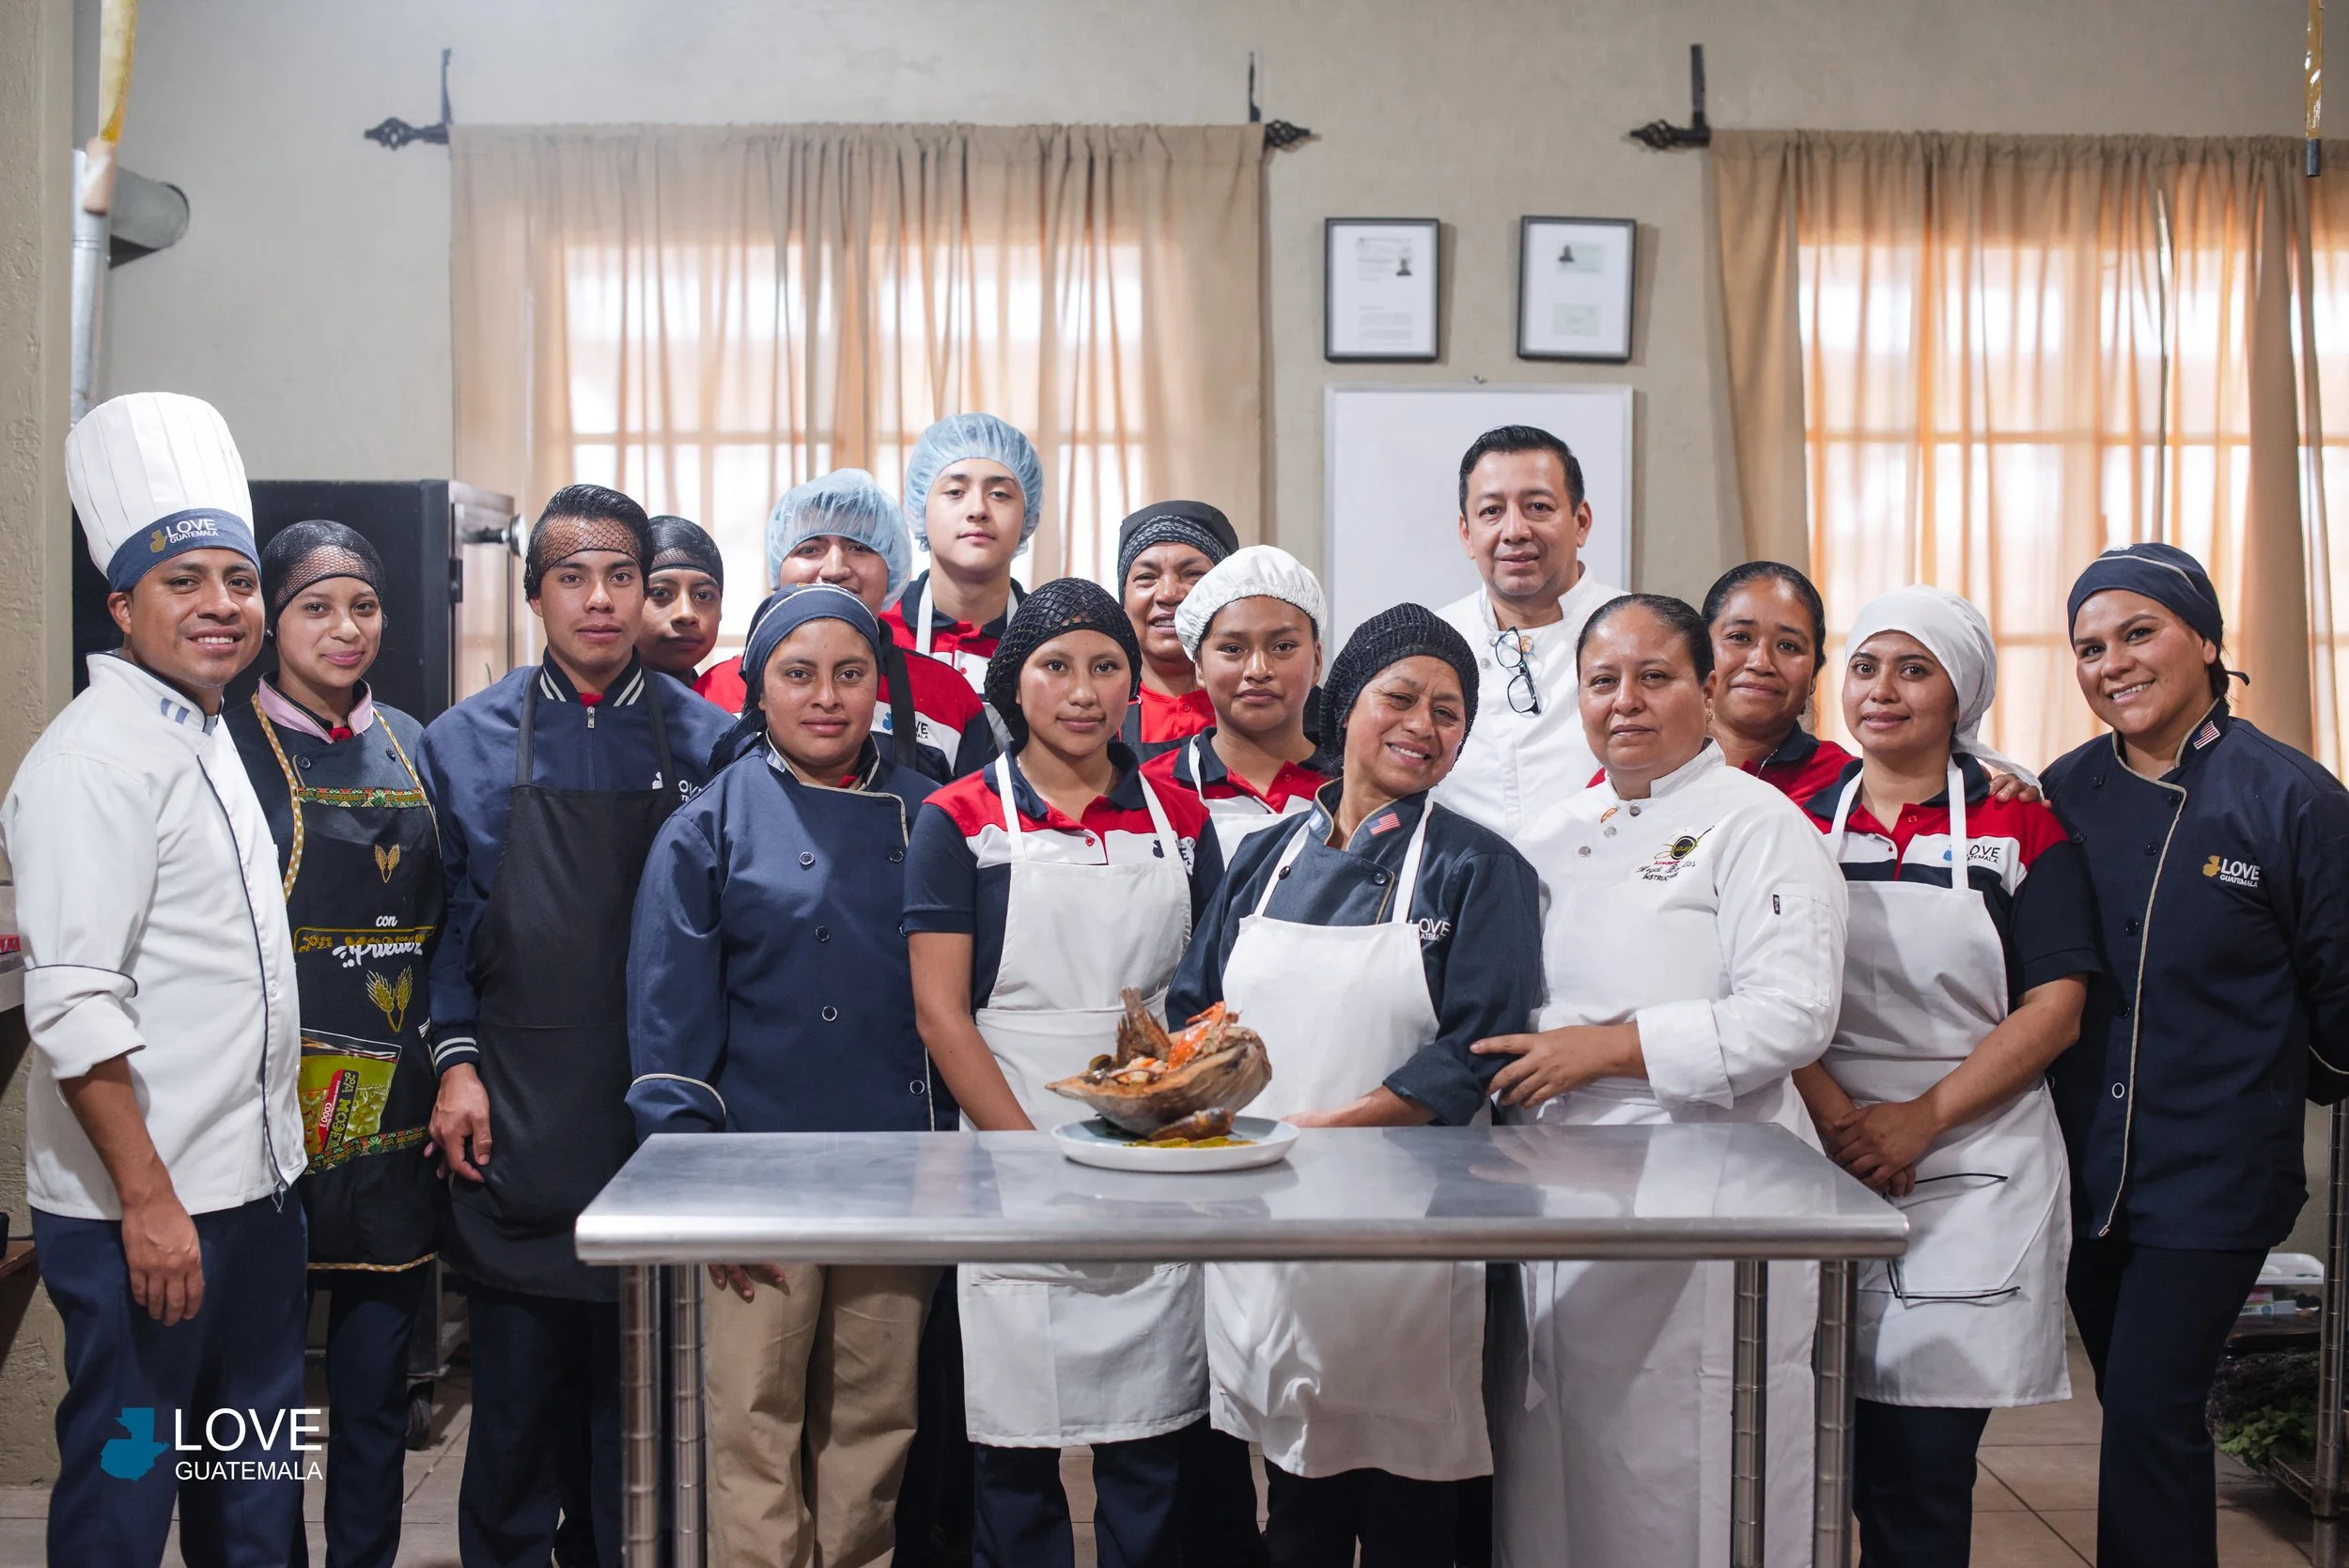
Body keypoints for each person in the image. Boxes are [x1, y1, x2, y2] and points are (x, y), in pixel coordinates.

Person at [1167, 602, 1544, 1566]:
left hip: (1408, 1220)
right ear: (1347, 708)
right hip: (1266, 1205)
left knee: (1413, 1501)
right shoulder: (1264, 856)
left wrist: (1336, 1126)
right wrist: (1207, 1104)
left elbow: (1479, 1047)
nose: (1424, 725)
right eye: (1401, 698)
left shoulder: (1475, 867)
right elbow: (1195, 1007)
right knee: (1295, 1490)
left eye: (1449, 711)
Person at [4, 392, 307, 1566]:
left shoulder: (202, 726)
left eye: (238, 579)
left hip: (251, 1198)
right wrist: (149, 1205)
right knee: (130, 1482)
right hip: (152, 1220)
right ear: (124, 605)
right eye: (185, 582)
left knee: (249, 1486)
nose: (222, 605)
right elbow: (76, 1008)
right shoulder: (94, 761)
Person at [1488, 593, 1849, 1568]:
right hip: (1559, 1175)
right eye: (1602, 681)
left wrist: (1608, 1049)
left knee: (1692, 1459)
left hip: (1708, 1184)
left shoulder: (1758, 826)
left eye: (1655, 677)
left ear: (1706, 687)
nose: (1626, 702)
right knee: (1559, 1448)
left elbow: (1792, 1012)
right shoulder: (1549, 832)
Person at [418, 484, 733, 1568]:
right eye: (573, 577)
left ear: (648, 592)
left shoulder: (714, 744)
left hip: (653, 1121)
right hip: (517, 1116)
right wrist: (454, 1064)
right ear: (537, 594)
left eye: (622, 578)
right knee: (512, 1421)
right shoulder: (463, 741)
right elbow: (444, 929)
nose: (600, 600)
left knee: (636, 1427)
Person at [903, 578, 1225, 1568]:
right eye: (1055, 666)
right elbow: (940, 1013)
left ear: (1135, 684)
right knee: (1012, 1442)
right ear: (1013, 684)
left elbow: (1206, 995)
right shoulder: (959, 820)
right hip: (1011, 1151)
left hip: (1154, 1155)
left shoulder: (1180, 817)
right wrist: (1031, 1157)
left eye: (1105, 667)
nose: (1082, 690)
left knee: (1153, 1440)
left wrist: (1168, 1108)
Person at [2044, 542, 2349, 1568]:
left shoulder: (2293, 800)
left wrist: (2266, 1086)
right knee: (2133, 1407)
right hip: (2087, 1165)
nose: (2112, 663)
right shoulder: (2060, 793)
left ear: (2205, 640)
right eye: (2089, 646)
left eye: (2139, 632)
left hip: (2213, 1171)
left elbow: (2341, 991)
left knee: (2148, 1407)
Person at [628, 584, 939, 1568]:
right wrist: (698, 1182)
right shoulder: (709, 823)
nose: (826, 697)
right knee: (751, 1423)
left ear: (878, 687)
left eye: (851, 674)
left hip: (899, 1164)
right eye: (797, 674)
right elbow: (667, 1014)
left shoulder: (933, 810)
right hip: (756, 1169)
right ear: (755, 688)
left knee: (875, 1419)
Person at [1789, 587, 2096, 1568]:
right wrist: (1841, 1117)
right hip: (1816, 1147)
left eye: (1913, 669)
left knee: (1919, 1467)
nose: (1882, 690)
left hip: (1972, 1158)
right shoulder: (1793, 820)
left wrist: (1918, 1119)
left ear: (1960, 691)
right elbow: (1759, 985)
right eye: (1867, 666)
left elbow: (2054, 1008)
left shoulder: (2019, 825)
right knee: (1805, 1451)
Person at [225, 520, 448, 1568]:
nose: (344, 627)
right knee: (251, 1407)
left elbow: (457, 920)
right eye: (316, 606)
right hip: (260, 1117)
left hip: (392, 1119)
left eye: (362, 605)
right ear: (272, 618)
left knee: (372, 1395)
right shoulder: (222, 747)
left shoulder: (414, 739)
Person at [699, 471, 990, 778]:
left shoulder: (948, 697)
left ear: (891, 567)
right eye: (809, 548)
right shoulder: (715, 692)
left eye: (860, 547)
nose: (835, 569)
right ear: (777, 567)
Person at [1431, 426, 1626, 838]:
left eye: (1538, 506)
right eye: (1491, 512)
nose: (1515, 531)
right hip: (1459, 893)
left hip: (1614, 885)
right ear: (1467, 534)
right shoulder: (1431, 644)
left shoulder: (1640, 631)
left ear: (1581, 522)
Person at [1143, 545, 1330, 862]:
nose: (1258, 670)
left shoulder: (1349, 788)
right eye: (1232, 649)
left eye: (1283, 646)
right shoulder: (1149, 789)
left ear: (1315, 660)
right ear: (1199, 666)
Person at [881, 414, 1042, 694]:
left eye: (1000, 494)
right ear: (920, 508)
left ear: (1027, 515)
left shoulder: (1051, 638)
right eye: (955, 491)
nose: (977, 509)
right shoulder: (878, 631)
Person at [1700, 561, 1855, 804]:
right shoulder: (1651, 766)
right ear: (1701, 654)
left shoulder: (1847, 787)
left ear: (1814, 675)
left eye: (1788, 645)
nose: (1761, 663)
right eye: (1739, 637)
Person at [1113, 499, 1239, 759]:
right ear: (1122, 599)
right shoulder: (1098, 708)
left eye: (1193, 574)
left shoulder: (1261, 700)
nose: (1169, 594)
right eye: (1146, 577)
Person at [629, 514, 725, 689]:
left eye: (703, 595)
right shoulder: (590, 709)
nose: (686, 613)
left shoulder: (733, 707)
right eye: (660, 593)